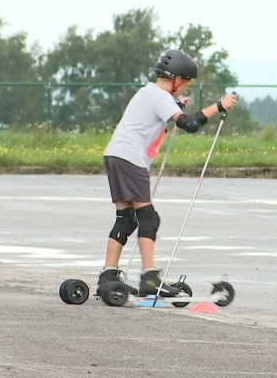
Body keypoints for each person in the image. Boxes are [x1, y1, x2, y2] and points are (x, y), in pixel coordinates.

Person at [99, 49, 238, 297]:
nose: (185, 88)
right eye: (186, 83)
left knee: (126, 219)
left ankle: (108, 276)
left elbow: (159, 113)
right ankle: (150, 278)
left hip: (115, 155)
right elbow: (189, 124)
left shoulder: (148, 92)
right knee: (149, 218)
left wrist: (177, 105)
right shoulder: (161, 97)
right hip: (131, 159)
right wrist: (219, 106)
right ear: (178, 79)